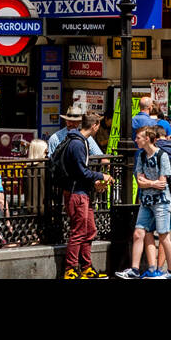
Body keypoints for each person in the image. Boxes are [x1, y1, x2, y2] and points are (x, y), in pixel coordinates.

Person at [117, 126, 171, 278]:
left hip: (161, 201)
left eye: (138, 137)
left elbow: (162, 183)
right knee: (138, 233)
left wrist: (147, 181)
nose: (135, 140)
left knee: (164, 235)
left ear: (147, 139)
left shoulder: (162, 156)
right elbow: (139, 181)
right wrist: (151, 183)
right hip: (146, 200)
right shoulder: (141, 156)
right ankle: (135, 269)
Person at [59, 113, 112, 279]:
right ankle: (70, 269)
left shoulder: (78, 141)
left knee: (90, 230)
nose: (99, 128)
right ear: (95, 125)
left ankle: (86, 267)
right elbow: (81, 171)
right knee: (79, 232)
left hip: (81, 191)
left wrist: (93, 182)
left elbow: (78, 172)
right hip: (77, 194)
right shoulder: (77, 144)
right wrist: (100, 177)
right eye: (98, 126)